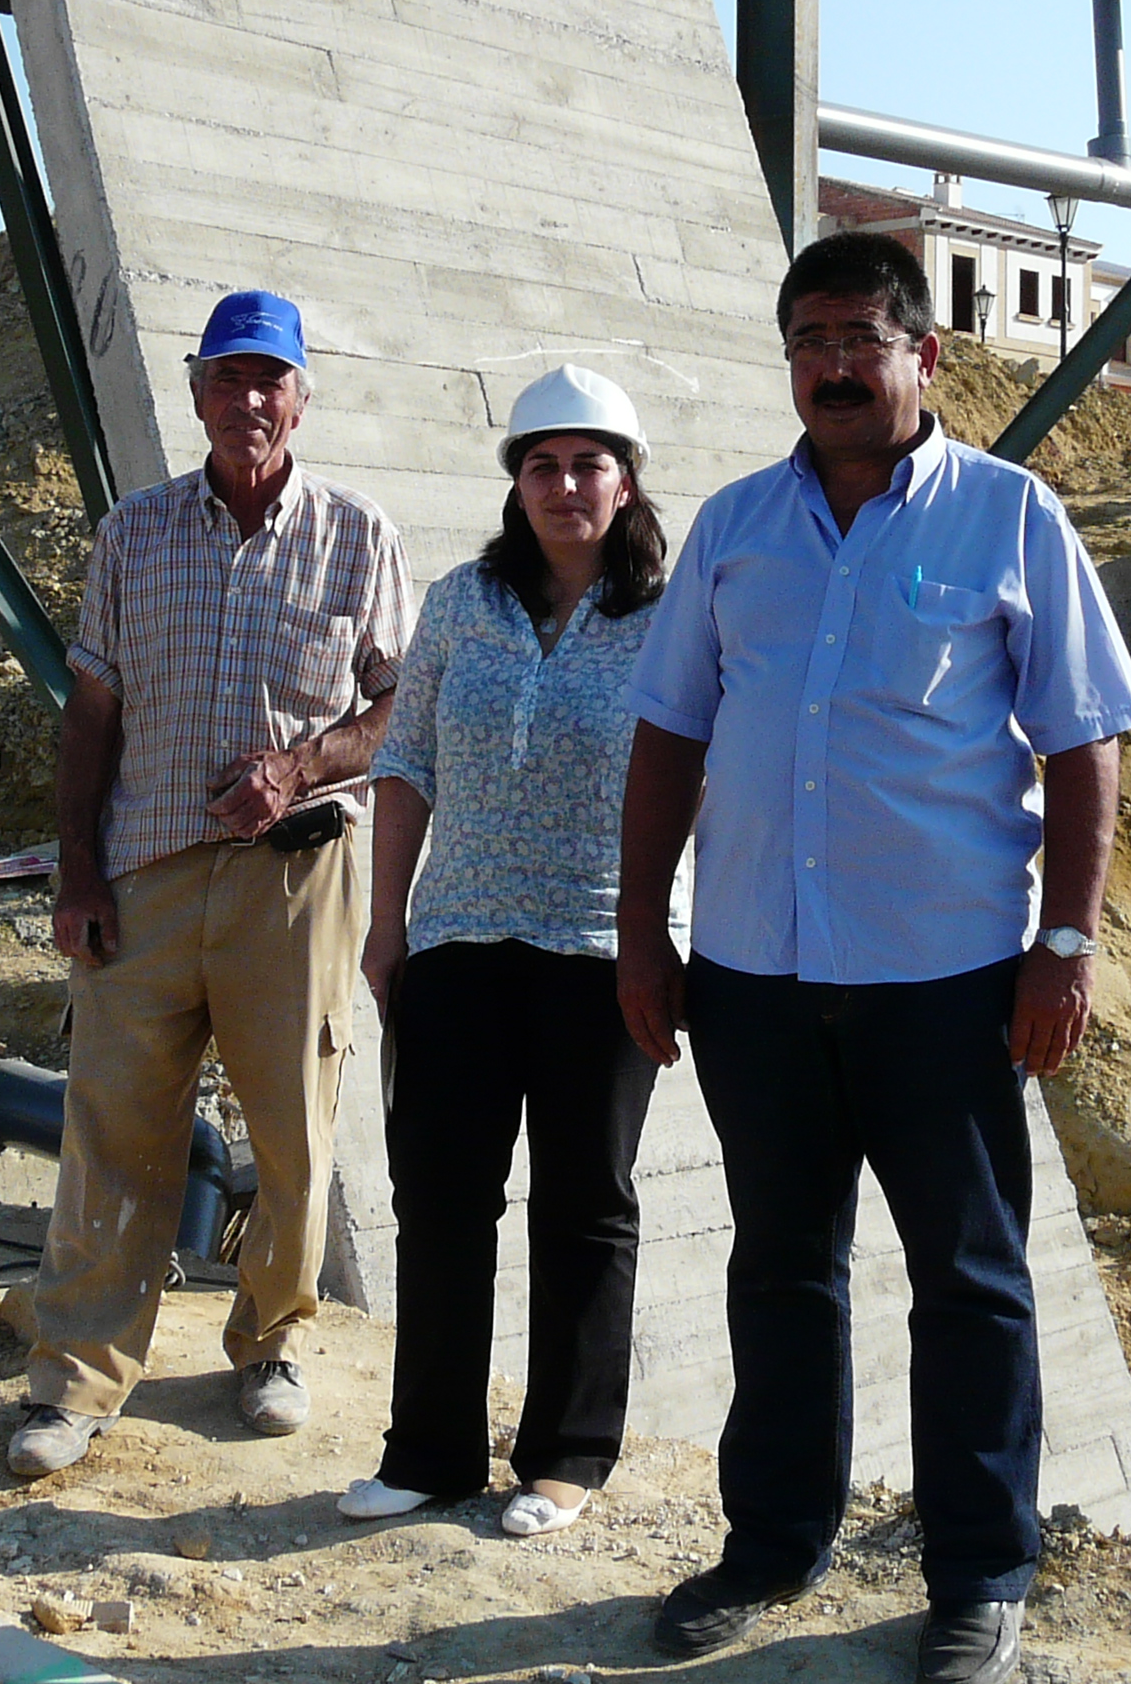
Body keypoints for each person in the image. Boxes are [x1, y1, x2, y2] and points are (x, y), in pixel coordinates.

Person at [615, 233, 1131, 1684]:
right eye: (808, 339)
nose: (834, 365)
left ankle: (980, 1571)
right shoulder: (733, 527)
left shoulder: (1009, 517)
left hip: (948, 983)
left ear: (923, 353)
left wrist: (1066, 942)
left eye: (861, 336)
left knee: (968, 1278)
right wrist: (642, 935)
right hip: (754, 976)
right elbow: (669, 735)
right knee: (782, 1265)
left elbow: (1082, 741)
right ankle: (773, 1541)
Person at [9, 289, 412, 1478]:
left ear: (300, 398)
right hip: (144, 873)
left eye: (269, 381)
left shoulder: (356, 534)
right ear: (195, 392)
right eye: (227, 380)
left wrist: (298, 767)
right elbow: (94, 706)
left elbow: (398, 710)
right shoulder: (134, 534)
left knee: (290, 1127)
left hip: (298, 881)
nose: (249, 402)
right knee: (110, 1129)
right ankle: (76, 1377)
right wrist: (78, 865)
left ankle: (271, 1345)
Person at [339, 365, 670, 1538]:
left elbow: (705, 784)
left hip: (598, 948)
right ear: (515, 484)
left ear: (626, 483)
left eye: (589, 464)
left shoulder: (673, 621)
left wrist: (672, 944)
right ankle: (427, 1452)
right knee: (440, 1199)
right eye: (542, 465)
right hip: (460, 941)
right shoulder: (460, 604)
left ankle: (567, 1457)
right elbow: (406, 764)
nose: (565, 485)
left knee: (586, 1205)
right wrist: (388, 928)